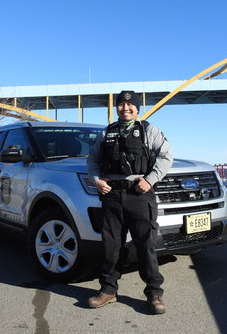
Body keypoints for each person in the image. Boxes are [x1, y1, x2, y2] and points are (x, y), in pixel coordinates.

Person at [87, 90, 173, 314]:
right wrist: (97, 181)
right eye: (121, 105)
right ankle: (108, 290)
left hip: (139, 193)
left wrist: (150, 180)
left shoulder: (149, 130)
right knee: (111, 246)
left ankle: (154, 293)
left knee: (146, 245)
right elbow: (92, 160)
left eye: (130, 105)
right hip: (112, 196)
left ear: (137, 108)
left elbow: (166, 157)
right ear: (116, 108)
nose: (125, 108)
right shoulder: (106, 133)